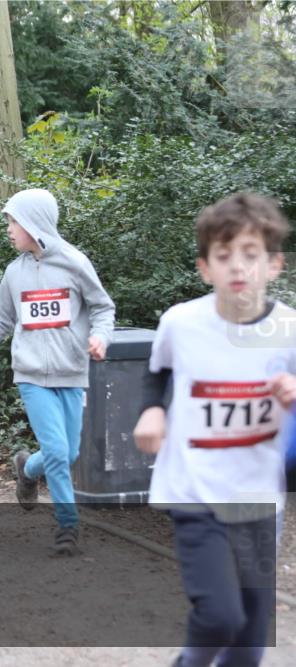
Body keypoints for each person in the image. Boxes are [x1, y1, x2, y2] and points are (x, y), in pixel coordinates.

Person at [132, 193, 295, 667]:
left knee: (250, 641)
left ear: (275, 265)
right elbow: (158, 372)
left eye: (251, 254)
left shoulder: (288, 329)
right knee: (221, 614)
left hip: (259, 498)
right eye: (224, 256)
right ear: (205, 268)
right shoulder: (182, 323)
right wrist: (152, 412)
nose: (238, 267)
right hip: (195, 492)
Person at [0, 188, 115, 555]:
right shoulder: (15, 272)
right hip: (30, 376)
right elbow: (2, 320)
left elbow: (102, 308)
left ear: (34, 223)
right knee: (58, 451)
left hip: (72, 373)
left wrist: (100, 338)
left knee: (67, 452)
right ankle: (67, 526)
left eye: (13, 221)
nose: (9, 229)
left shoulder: (75, 263)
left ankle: (27, 468)